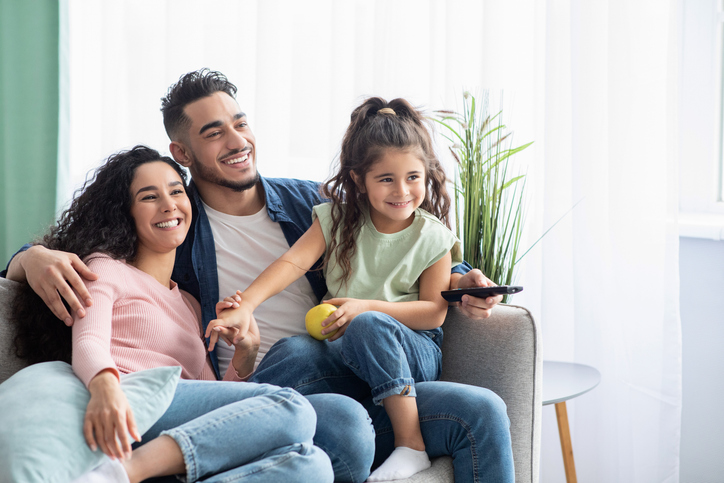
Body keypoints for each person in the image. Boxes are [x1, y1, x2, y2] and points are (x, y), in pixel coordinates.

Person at [4, 69, 514, 482]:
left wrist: (464, 279)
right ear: (182, 154)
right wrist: (28, 258)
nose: (235, 140)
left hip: (361, 365)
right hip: (273, 383)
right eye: (212, 132)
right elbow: (94, 253)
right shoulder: (175, 226)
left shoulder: (309, 201)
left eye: (239, 122)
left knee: (483, 412)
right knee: (302, 363)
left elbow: (395, 235)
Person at [9, 146, 341, 483]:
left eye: (176, 191)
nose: (169, 204)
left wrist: (245, 355)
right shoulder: (105, 268)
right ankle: (118, 474)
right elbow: (89, 340)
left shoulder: (190, 303)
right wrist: (106, 388)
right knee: (294, 409)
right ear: (125, 213)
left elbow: (210, 397)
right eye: (149, 197)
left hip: (174, 432)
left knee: (312, 465)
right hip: (128, 402)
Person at [208, 97, 462, 481]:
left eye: (413, 177)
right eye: (386, 179)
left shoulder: (433, 236)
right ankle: (220, 428)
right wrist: (247, 304)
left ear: (426, 175)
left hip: (411, 353)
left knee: (370, 324)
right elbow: (292, 263)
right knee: (293, 349)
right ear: (359, 179)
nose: (402, 191)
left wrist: (365, 308)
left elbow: (433, 312)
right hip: (346, 353)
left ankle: (412, 446)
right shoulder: (337, 219)